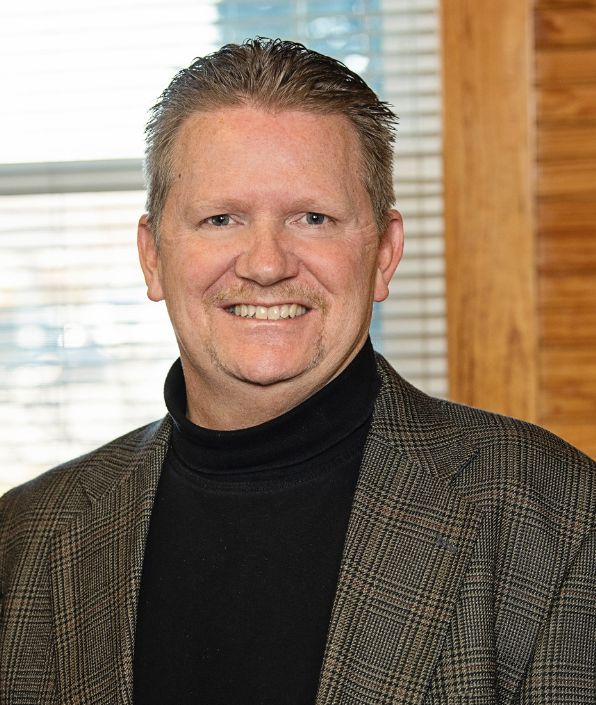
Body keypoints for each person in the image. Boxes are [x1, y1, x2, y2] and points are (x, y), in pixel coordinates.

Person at [0, 38, 594, 705]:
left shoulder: (552, 514)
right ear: (153, 256)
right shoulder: (23, 539)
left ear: (385, 254)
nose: (265, 263)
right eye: (220, 218)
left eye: (313, 218)